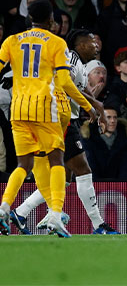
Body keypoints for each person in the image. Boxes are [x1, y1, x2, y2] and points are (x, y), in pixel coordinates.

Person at [0, 0, 99, 237]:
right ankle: (55, 214)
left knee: (23, 165)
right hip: (45, 108)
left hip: (18, 110)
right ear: (51, 20)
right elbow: (64, 82)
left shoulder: (11, 41)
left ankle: (4, 208)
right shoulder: (56, 42)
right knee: (57, 160)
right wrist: (89, 105)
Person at [10, 28, 118, 234]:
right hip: (59, 120)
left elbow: (80, 89)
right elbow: (64, 84)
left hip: (66, 120)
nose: (96, 45)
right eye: (91, 41)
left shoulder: (81, 65)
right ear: (79, 45)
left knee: (65, 178)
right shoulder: (70, 58)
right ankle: (98, 225)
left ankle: (21, 212)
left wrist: (93, 102)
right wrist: (96, 105)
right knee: (83, 170)